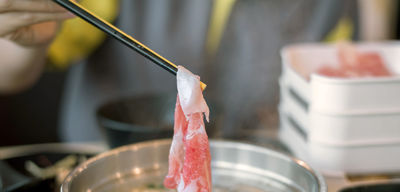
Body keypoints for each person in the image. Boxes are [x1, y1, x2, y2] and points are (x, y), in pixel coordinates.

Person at [0, 0, 359, 143]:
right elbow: (9, 74)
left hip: (247, 175)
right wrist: (27, 39)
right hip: (99, 172)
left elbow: (331, 97)